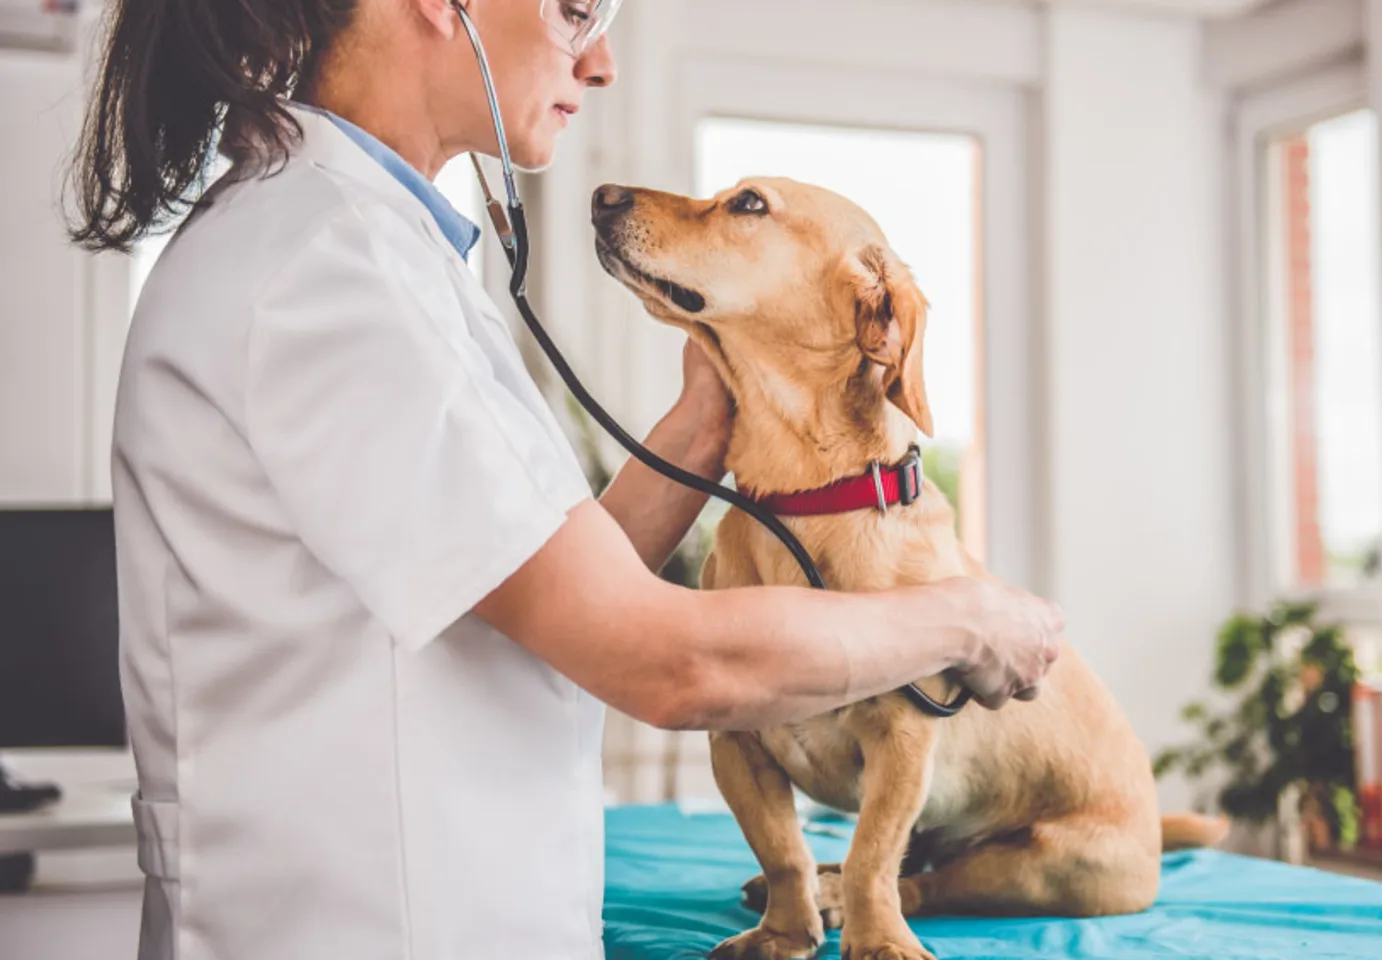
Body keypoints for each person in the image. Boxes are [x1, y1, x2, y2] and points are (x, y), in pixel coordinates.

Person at [67, 1, 1066, 958]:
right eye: (573, 9)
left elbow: (541, 582)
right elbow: (667, 663)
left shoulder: (367, 252)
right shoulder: (327, 268)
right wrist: (969, 618)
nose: (601, 62)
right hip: (377, 924)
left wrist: (704, 424)